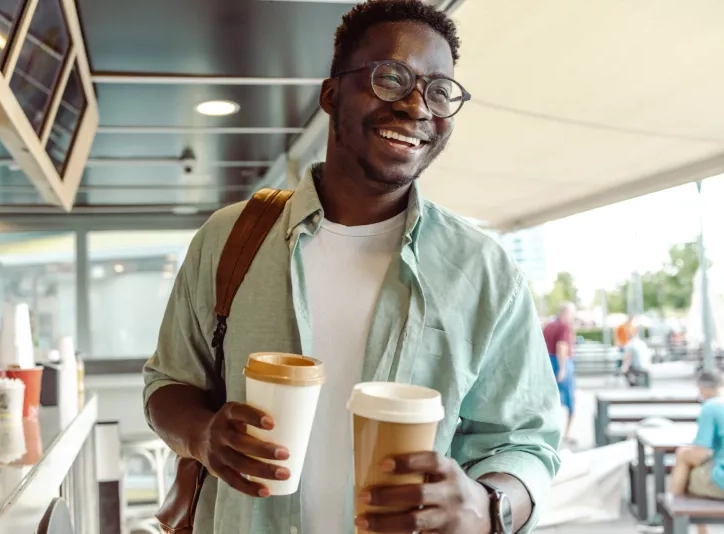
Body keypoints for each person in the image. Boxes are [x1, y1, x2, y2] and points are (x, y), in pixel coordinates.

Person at [143, 1, 562, 533]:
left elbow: (526, 442)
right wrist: (204, 436)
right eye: (391, 77)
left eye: (439, 91)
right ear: (331, 94)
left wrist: (487, 506)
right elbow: (167, 385)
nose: (416, 106)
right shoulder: (231, 239)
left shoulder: (483, 271)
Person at [668, 370, 724, 534]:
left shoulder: (712, 407)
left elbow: (699, 454)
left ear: (702, 388)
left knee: (684, 464)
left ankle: (674, 519)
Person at [543, 302, 576, 441]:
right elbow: (561, 345)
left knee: (550, 400)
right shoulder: (564, 326)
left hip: (548, 363)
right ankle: (567, 433)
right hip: (561, 362)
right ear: (567, 313)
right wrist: (562, 369)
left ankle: (549, 430)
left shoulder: (548, 326)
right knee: (570, 401)